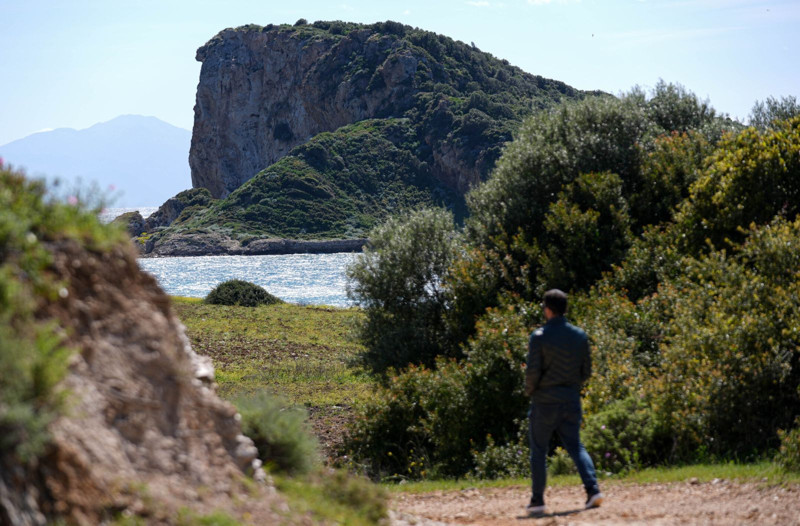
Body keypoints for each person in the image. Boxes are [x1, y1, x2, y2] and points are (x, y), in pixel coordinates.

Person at [524, 289, 603, 515]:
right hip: (570, 399)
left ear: (547, 309)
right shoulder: (579, 336)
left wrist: (530, 391)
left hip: (545, 401)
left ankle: (538, 500)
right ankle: (593, 490)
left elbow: (533, 372)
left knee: (539, 450)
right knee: (576, 446)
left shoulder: (539, 336)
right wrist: (570, 386)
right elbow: (586, 371)